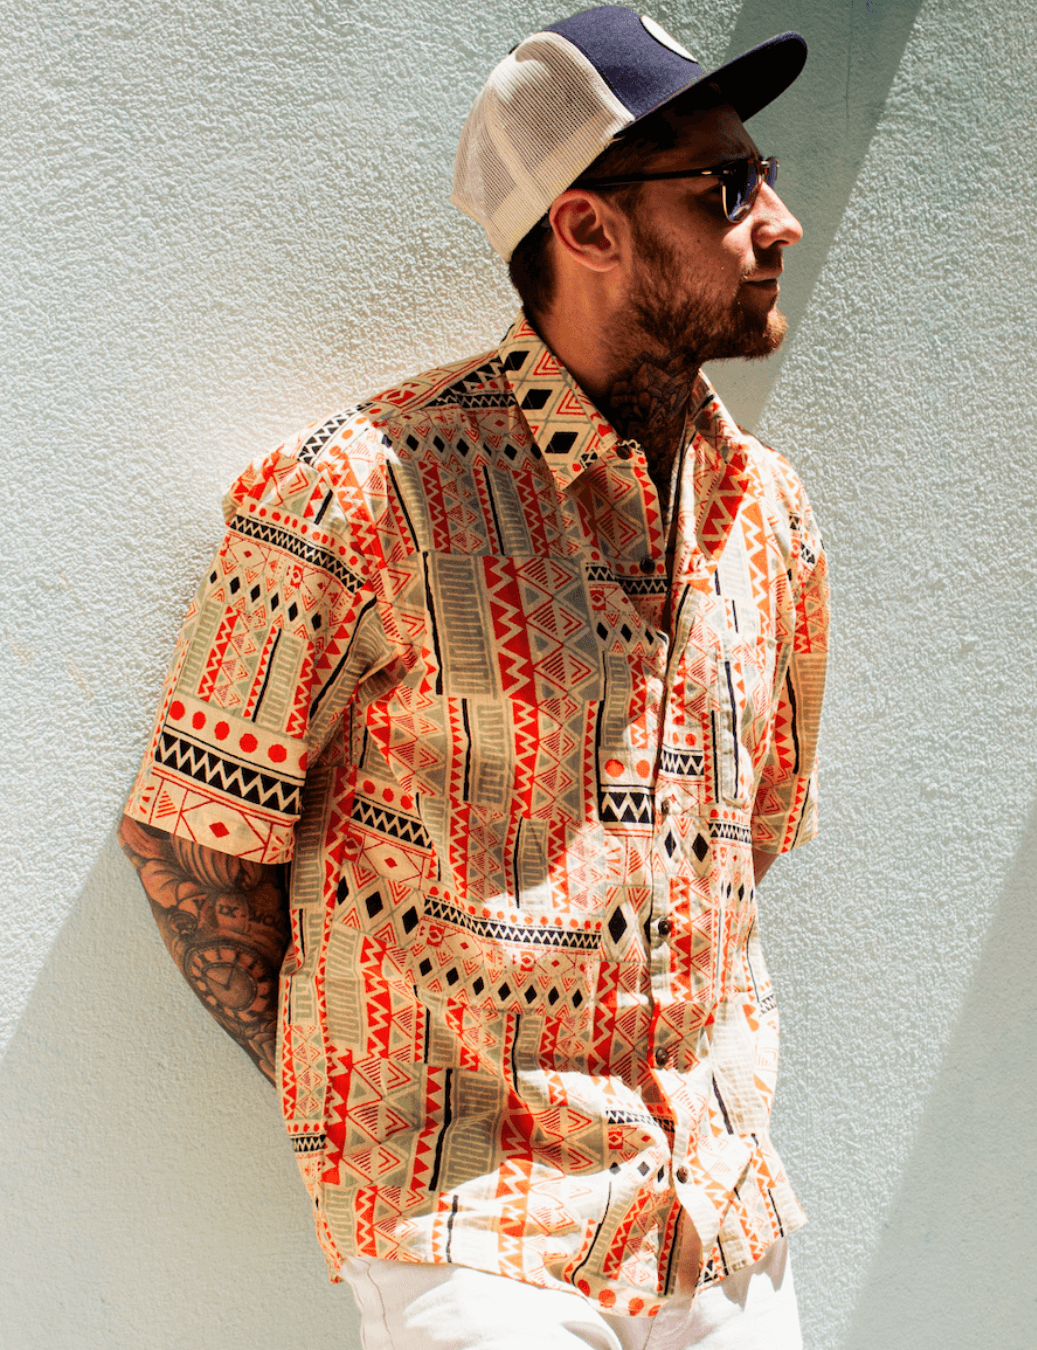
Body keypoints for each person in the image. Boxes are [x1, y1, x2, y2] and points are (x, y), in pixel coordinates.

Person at [118, 7, 828, 1347]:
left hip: (718, 1222)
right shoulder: (355, 495)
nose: (777, 219)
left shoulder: (769, 514)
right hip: (473, 1229)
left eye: (765, 173)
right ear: (588, 228)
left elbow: (755, 829)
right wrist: (375, 1080)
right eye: (728, 187)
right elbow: (192, 835)